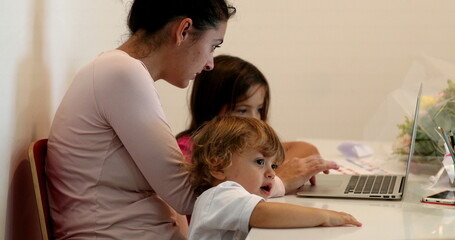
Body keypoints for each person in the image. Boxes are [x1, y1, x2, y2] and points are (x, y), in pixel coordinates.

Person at [46, 1, 236, 239]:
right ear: (183, 31)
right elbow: (187, 196)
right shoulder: (121, 72)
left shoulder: (118, 70)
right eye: (213, 46)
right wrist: (272, 182)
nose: (210, 63)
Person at [177, 55, 339, 195]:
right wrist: (280, 180)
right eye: (242, 111)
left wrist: (272, 172)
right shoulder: (187, 152)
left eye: (259, 109)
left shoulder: (247, 147)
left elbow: (305, 148)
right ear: (209, 108)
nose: (255, 119)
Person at [185, 116, 362, 240]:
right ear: (218, 166)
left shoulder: (236, 193)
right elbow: (263, 214)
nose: (271, 173)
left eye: (273, 165)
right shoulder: (220, 195)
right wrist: (326, 216)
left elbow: (270, 195)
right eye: (260, 162)